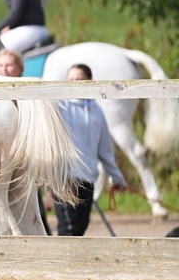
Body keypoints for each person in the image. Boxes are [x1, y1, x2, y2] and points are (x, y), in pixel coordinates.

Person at [52, 63, 127, 237]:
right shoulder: (59, 107)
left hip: (87, 179)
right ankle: (64, 264)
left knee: (81, 228)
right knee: (68, 229)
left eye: (79, 79)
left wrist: (117, 178)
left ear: (89, 82)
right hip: (65, 179)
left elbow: (105, 150)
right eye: (71, 79)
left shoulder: (97, 112)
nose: (75, 83)